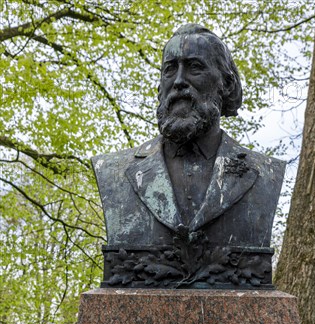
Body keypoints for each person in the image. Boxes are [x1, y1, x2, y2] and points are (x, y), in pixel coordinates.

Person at [92, 24, 285, 288]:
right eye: (170, 69)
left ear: (226, 84)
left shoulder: (264, 173)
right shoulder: (114, 171)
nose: (179, 81)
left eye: (194, 67)